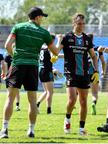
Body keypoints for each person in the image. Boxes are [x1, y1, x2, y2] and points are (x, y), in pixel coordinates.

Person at [0, 7, 60, 139]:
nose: (42, 20)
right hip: (32, 66)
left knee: (10, 98)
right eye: (42, 17)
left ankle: (4, 129)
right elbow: (55, 52)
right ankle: (31, 130)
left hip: (18, 65)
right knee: (32, 100)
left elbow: (7, 46)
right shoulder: (43, 32)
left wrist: (14, 56)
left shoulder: (18, 27)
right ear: (38, 17)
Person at [60, 13, 98, 135]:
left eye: (83, 23)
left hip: (84, 74)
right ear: (74, 23)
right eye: (79, 23)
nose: (81, 26)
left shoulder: (87, 39)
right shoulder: (67, 37)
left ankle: (81, 128)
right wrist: (54, 56)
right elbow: (57, 50)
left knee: (83, 101)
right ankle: (67, 120)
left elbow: (93, 56)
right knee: (72, 99)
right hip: (71, 73)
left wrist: (96, 71)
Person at [37, 34, 60, 114]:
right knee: (50, 92)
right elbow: (54, 55)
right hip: (47, 71)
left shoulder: (42, 47)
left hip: (41, 70)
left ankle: (37, 104)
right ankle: (49, 110)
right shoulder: (49, 47)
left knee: (46, 91)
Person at [87, 33, 106, 115]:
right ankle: (93, 103)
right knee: (94, 93)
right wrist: (103, 72)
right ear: (93, 39)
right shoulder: (98, 48)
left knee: (80, 91)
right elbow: (103, 62)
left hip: (84, 72)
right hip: (95, 73)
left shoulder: (84, 48)